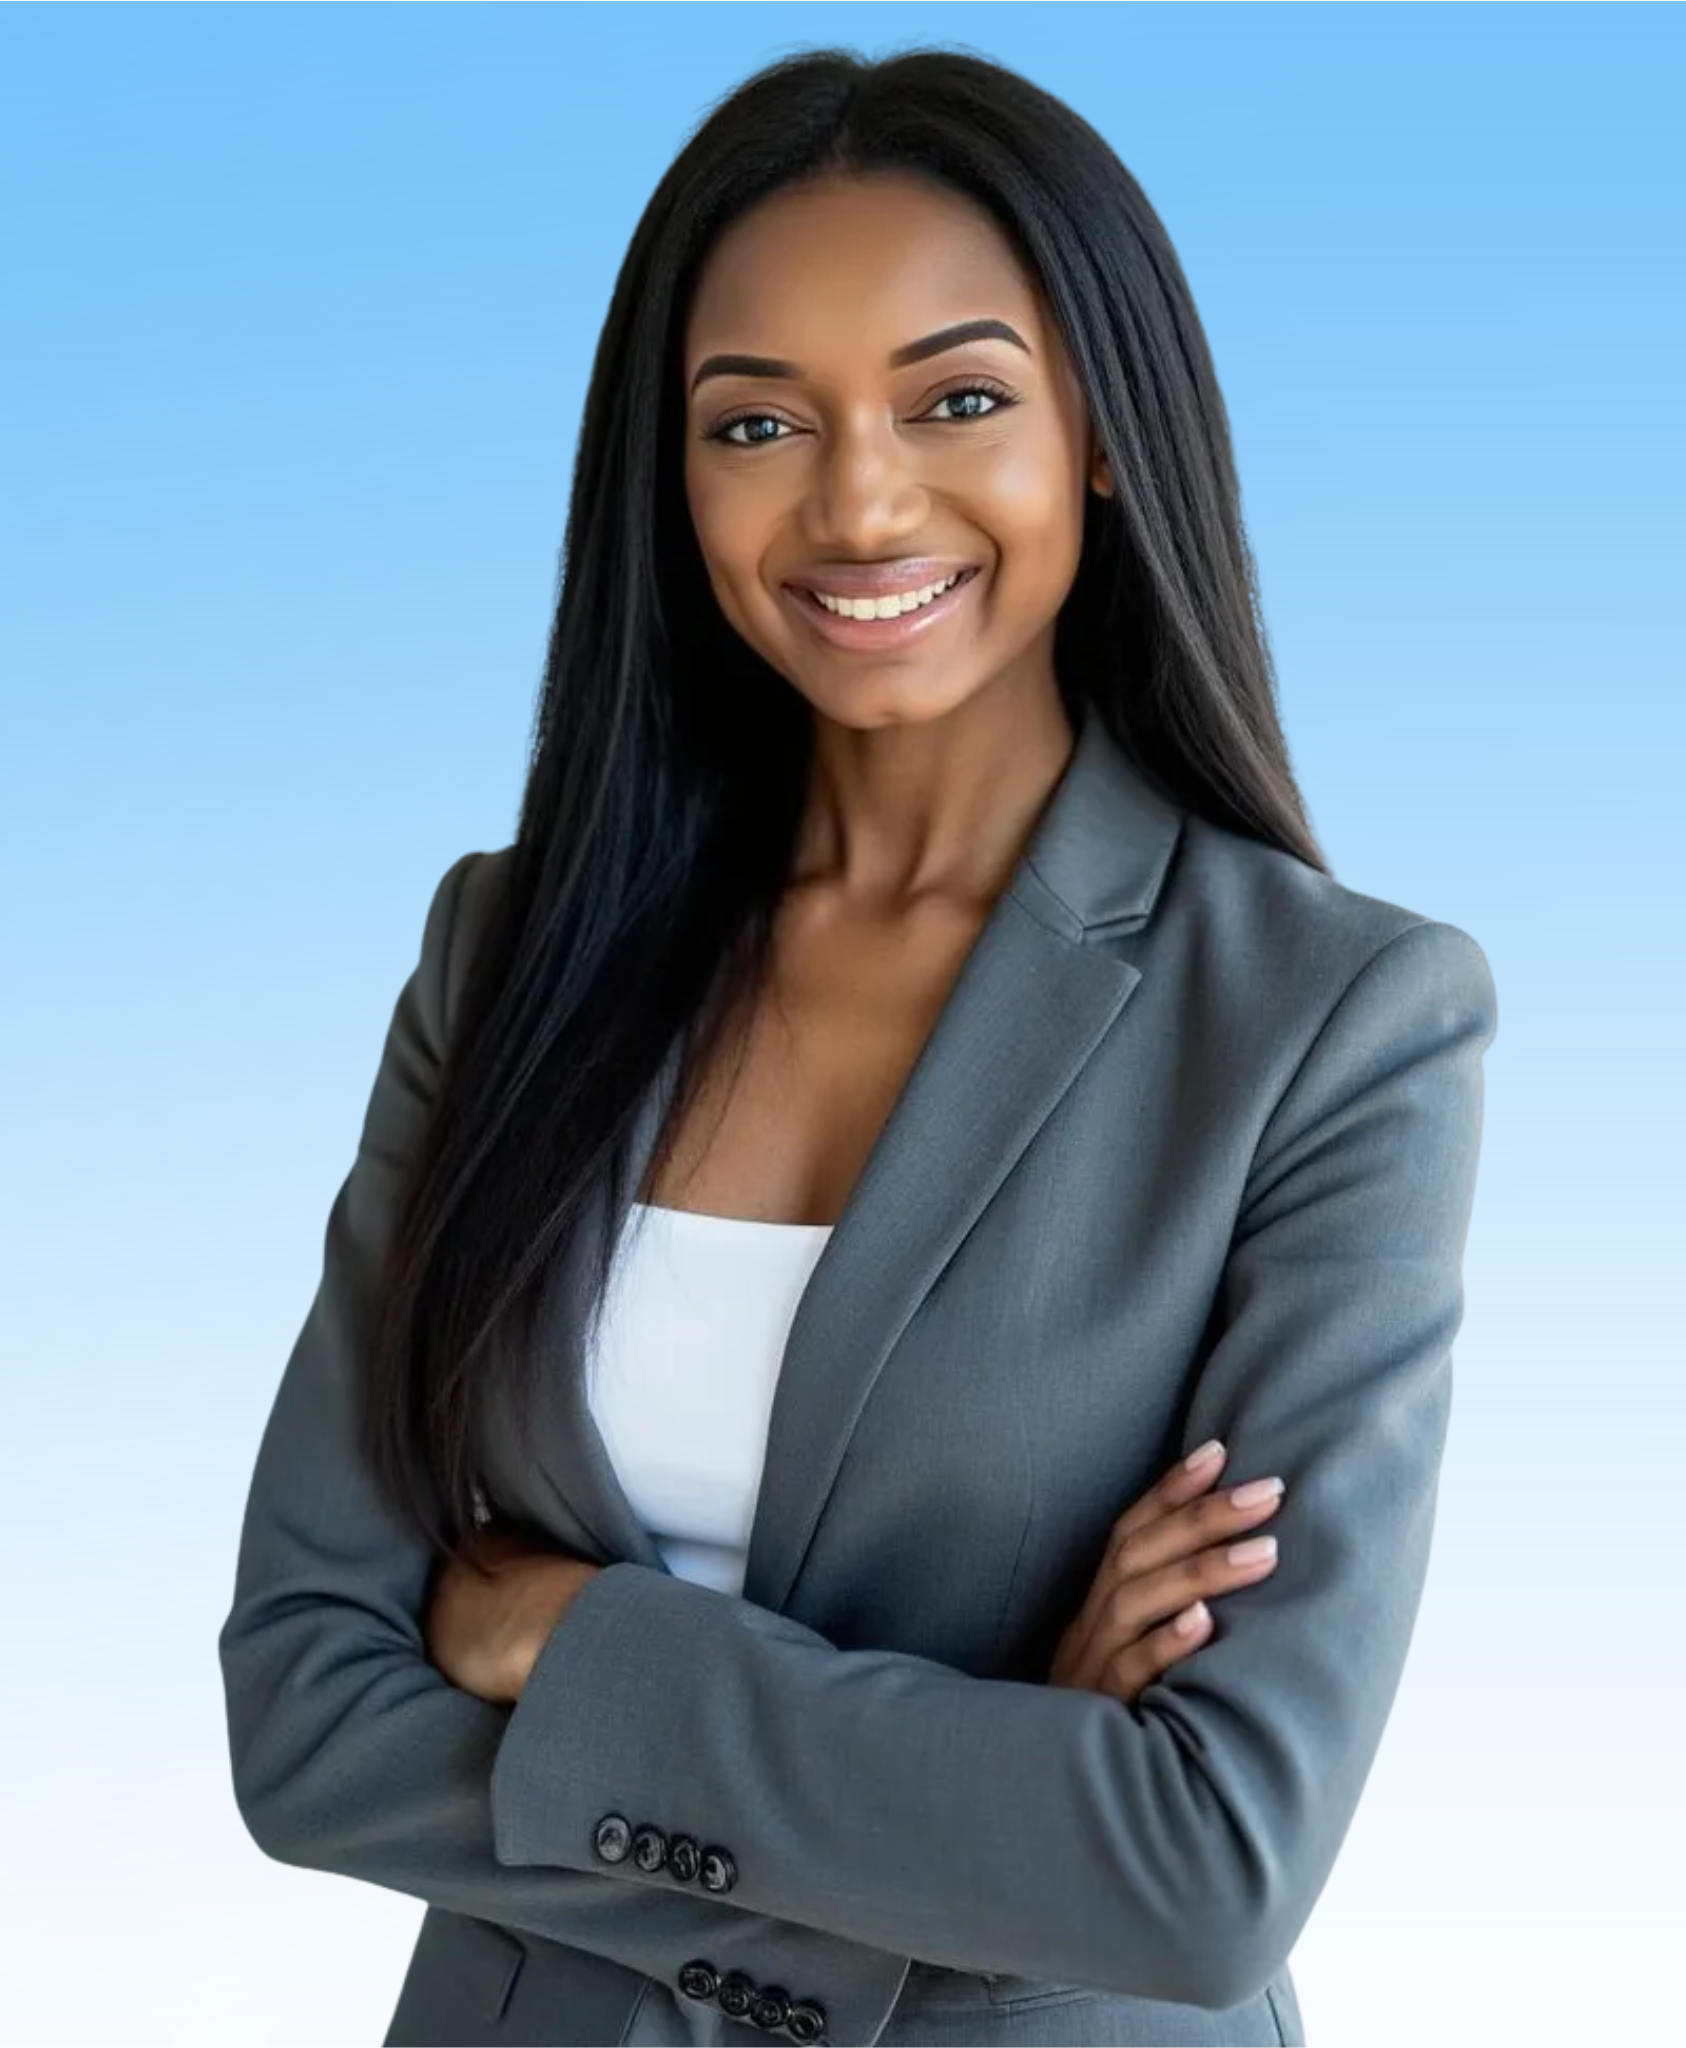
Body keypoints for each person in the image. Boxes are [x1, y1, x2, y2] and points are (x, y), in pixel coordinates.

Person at [218, 44, 1497, 2048]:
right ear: (673, 476)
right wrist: (986, 1801)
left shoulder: (1334, 1022)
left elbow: (1200, 1864)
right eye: (756, 423)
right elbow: (307, 1718)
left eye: (956, 398)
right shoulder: (509, 953)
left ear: (1100, 431)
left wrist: (576, 1641)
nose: (858, 501)